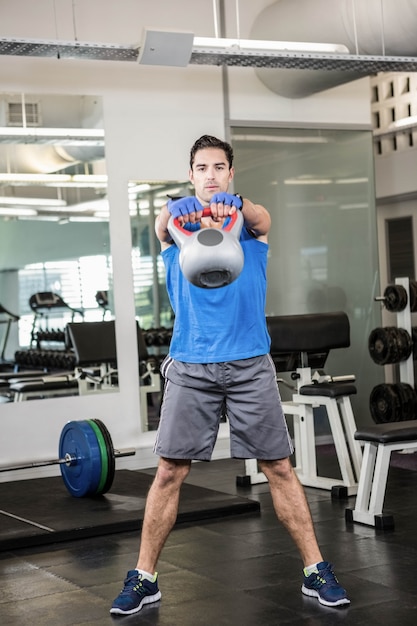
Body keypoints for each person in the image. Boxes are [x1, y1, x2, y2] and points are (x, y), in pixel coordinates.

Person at [110, 135, 350, 616]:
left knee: (279, 467)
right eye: (202, 168)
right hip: (191, 366)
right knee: (170, 471)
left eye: (220, 167)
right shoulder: (176, 228)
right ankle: (144, 577)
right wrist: (175, 209)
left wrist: (236, 204)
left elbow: (263, 218)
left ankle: (315, 570)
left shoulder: (246, 225)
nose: (211, 175)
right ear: (191, 174)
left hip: (249, 367)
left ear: (230, 173)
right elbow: (159, 226)